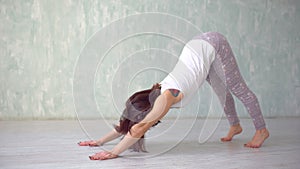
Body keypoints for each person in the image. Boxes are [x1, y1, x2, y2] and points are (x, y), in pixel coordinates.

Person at [78, 32, 270, 160]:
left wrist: (112, 153)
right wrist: (100, 141)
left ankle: (261, 130)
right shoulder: (154, 93)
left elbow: (139, 127)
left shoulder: (165, 97)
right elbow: (130, 125)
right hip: (198, 48)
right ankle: (235, 126)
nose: (145, 123)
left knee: (238, 88)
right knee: (222, 91)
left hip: (213, 44)